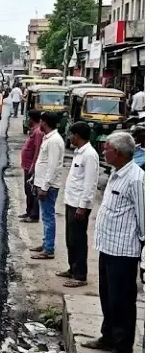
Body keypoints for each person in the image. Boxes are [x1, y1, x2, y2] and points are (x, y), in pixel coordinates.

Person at [82, 131, 144, 353]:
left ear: (117, 153)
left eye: (106, 149)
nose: (103, 152)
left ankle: (123, 351)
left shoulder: (137, 180)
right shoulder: (117, 174)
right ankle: (108, 337)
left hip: (124, 252)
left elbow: (144, 219)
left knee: (122, 302)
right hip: (108, 247)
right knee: (107, 297)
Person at [58, 121, 99, 288]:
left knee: (79, 240)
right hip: (71, 201)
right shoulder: (79, 152)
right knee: (70, 239)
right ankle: (72, 268)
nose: (69, 138)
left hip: (79, 205)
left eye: (71, 135)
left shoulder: (90, 155)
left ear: (77, 136)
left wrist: (82, 206)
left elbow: (90, 184)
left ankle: (80, 274)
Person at [30, 111, 65, 260]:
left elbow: (52, 167)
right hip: (43, 183)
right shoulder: (49, 138)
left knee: (48, 217)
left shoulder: (54, 141)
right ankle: (46, 244)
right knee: (45, 217)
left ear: (44, 122)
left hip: (48, 186)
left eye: (41, 122)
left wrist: (44, 187)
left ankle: (49, 248)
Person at [19, 110, 43, 224]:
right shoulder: (34, 130)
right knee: (27, 190)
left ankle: (33, 215)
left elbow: (37, 150)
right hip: (27, 165)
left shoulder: (38, 132)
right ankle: (28, 212)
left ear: (32, 119)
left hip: (30, 166)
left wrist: (33, 165)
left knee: (31, 191)